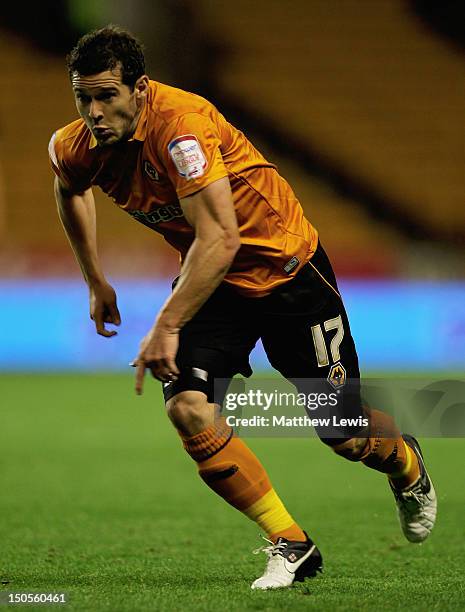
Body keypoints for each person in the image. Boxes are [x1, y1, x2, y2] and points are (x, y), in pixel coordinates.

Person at [49, 26, 437, 590]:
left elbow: (222, 238)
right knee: (187, 407)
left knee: (345, 435)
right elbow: (69, 188)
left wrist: (166, 324)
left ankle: (406, 462)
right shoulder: (74, 145)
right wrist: (95, 280)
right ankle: (293, 544)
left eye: (107, 95)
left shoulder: (181, 131)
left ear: (140, 88)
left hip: (286, 272)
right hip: (216, 285)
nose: (94, 112)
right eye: (83, 97)